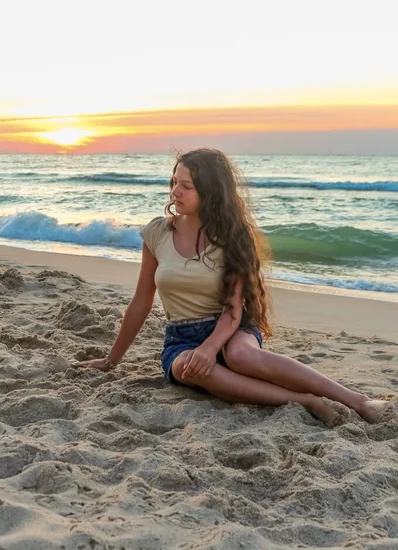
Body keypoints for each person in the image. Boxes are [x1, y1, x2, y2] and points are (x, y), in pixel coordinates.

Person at [74, 148, 389, 426]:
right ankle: (305, 401)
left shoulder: (234, 239)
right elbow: (141, 302)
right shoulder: (157, 233)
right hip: (181, 338)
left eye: (186, 186)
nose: (175, 192)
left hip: (230, 330)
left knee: (240, 356)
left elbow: (233, 311)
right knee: (189, 369)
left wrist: (210, 347)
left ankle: (357, 400)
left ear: (209, 192)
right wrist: (111, 359)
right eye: (173, 183)